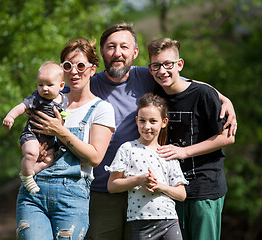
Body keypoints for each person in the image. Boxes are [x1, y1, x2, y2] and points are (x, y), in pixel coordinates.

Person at [85, 23, 237, 240]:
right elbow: (55, 90)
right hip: (110, 188)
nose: (117, 53)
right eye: (111, 47)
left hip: (164, 192)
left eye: (124, 47)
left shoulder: (146, 76)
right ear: (102, 51)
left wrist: (221, 97)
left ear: (134, 52)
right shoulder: (90, 83)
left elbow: (184, 82)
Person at [15, 37, 115, 240]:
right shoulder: (45, 100)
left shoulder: (101, 109)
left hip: (71, 193)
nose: (74, 71)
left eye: (80, 65)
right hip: (33, 189)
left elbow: (95, 158)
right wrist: (37, 150)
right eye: (67, 65)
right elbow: (25, 139)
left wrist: (61, 132)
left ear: (92, 69)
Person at [148, 37, 235, 240]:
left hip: (204, 188)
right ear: (150, 69)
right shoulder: (156, 96)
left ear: (180, 64)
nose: (162, 71)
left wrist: (184, 151)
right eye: (156, 65)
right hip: (172, 190)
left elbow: (227, 137)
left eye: (168, 64)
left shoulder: (203, 94)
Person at [106, 93, 189, 240]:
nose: (147, 126)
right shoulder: (127, 149)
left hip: (169, 220)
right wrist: (138, 180)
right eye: (142, 121)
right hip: (140, 222)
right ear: (136, 121)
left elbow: (181, 194)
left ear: (163, 122)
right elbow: (112, 186)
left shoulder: (167, 153)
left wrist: (159, 186)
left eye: (153, 121)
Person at [2, 61, 68, 194]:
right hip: (32, 134)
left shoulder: (64, 100)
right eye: (41, 85)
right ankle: (27, 178)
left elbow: (64, 117)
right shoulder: (37, 98)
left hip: (49, 140)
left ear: (61, 86)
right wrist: (11, 116)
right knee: (32, 153)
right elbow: (22, 106)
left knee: (49, 159)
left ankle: (28, 172)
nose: (44, 88)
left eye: (49, 85)